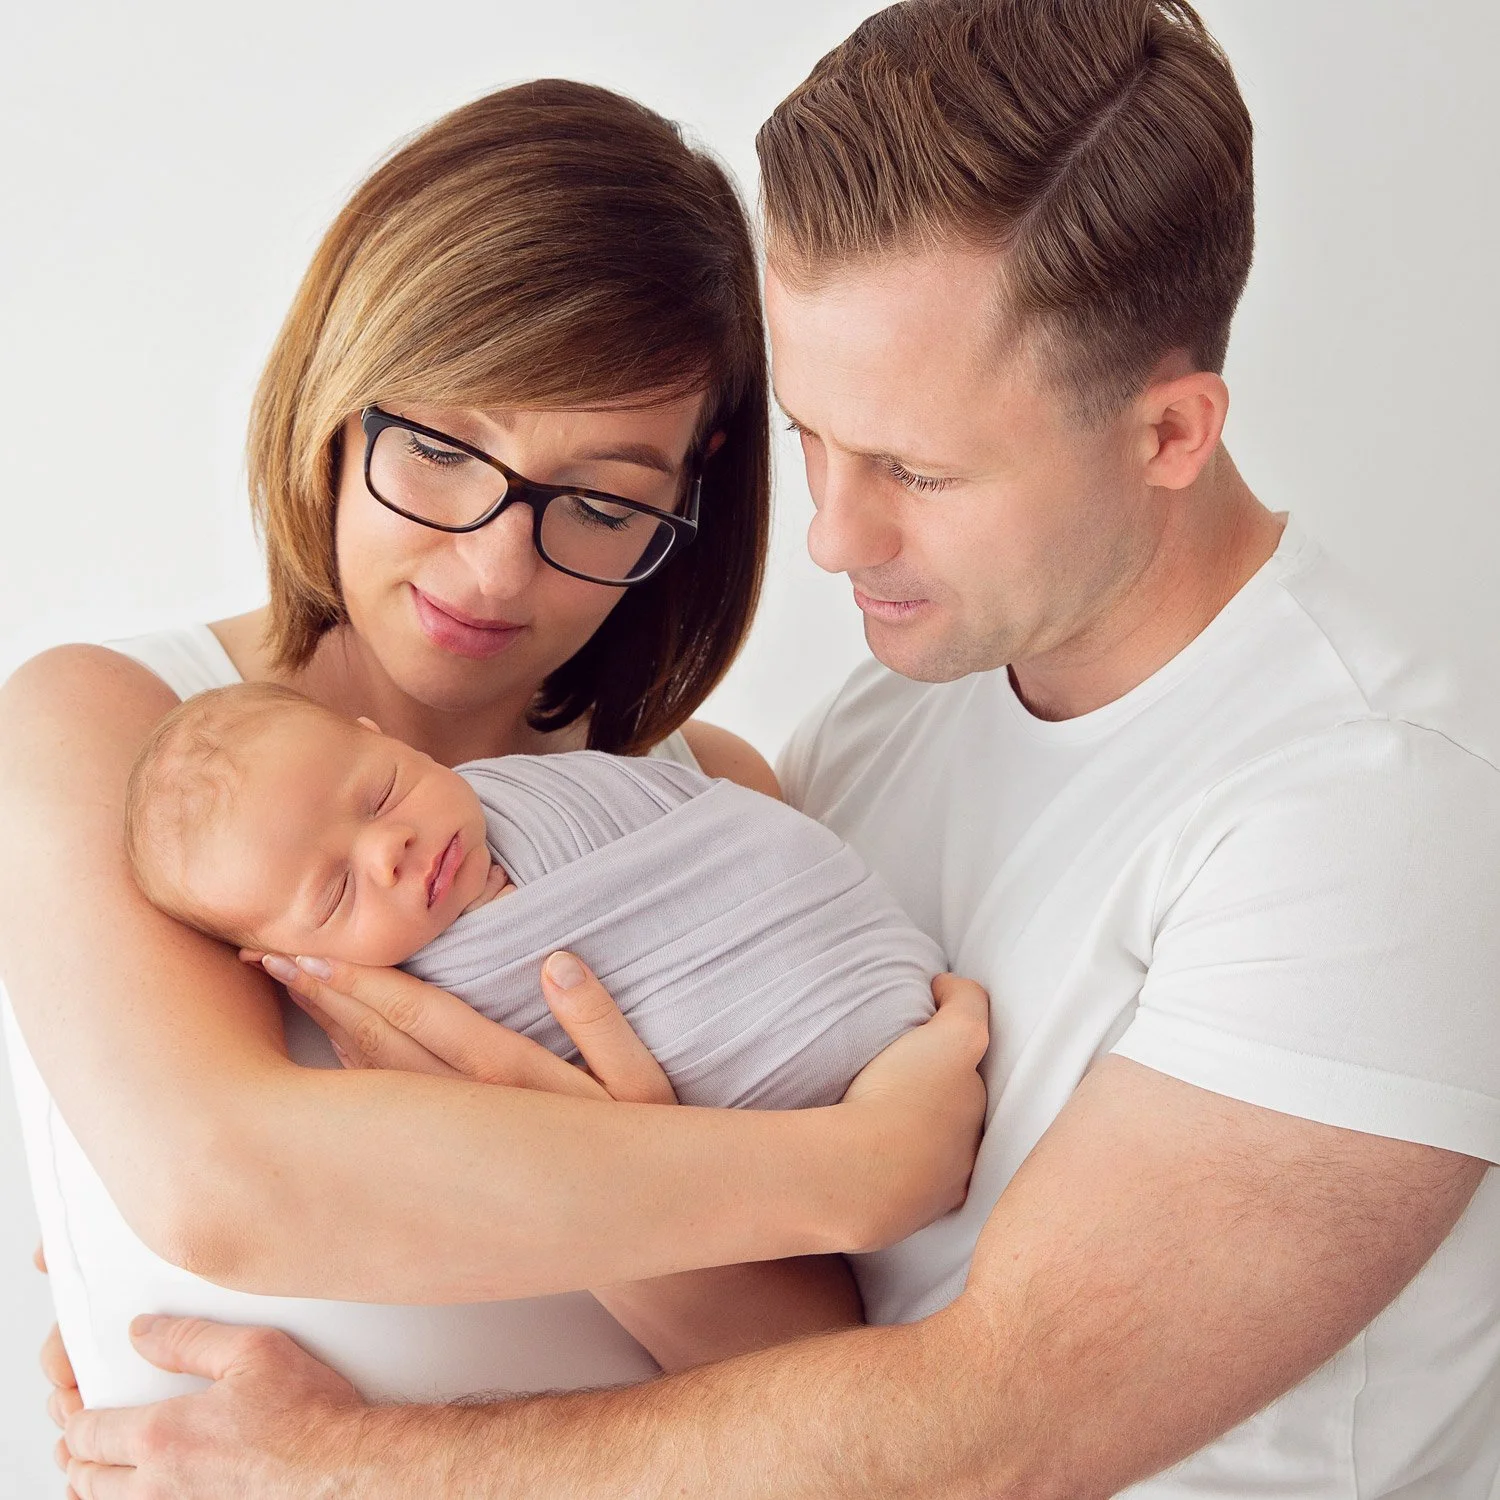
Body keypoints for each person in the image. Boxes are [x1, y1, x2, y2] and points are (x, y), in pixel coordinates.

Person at [41, 0, 1500, 1495]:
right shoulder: (883, 727)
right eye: (815, 437)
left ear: (1172, 433)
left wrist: (348, 1467)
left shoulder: (1377, 808)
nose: (832, 538)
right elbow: (798, 1351)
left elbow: (986, 1431)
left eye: (918, 468)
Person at [0, 76, 987, 1419]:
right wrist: (861, 1170)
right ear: (340, 394)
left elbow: (805, 1388)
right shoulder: (114, 734)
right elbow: (224, 1188)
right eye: (439, 448)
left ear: (692, 493)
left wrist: (572, 1147)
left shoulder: (704, 802)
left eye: (601, 504)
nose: (491, 568)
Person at [122, 681, 939, 1109]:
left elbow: (746, 844)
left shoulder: (533, 786)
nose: (389, 848)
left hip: (867, 957)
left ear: (387, 739)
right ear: (286, 960)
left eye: (381, 793)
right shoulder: (410, 1017)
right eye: (336, 892)